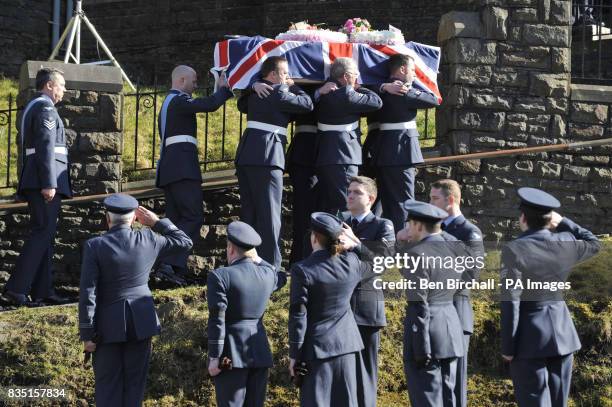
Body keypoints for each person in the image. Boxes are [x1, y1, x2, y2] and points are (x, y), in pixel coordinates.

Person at [79, 194, 193, 407]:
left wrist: (87, 333)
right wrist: (157, 222)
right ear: (134, 219)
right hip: (142, 321)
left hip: (106, 326)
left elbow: (88, 291)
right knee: (135, 385)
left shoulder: (95, 245)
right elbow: (184, 242)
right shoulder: (149, 238)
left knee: (107, 386)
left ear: (107, 218)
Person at [500, 187, 601, 407]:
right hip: (563, 334)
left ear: (523, 218)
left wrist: (508, 347)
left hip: (529, 339)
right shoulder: (565, 240)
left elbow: (511, 301)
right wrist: (564, 221)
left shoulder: (514, 249)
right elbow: (593, 243)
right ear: (550, 219)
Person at [155, 65, 233, 285]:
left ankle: (171, 269)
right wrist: (223, 88)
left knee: (175, 221)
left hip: (171, 170)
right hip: (182, 169)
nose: (196, 85)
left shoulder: (171, 102)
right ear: (181, 80)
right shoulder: (178, 100)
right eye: (194, 81)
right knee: (192, 216)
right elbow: (209, 104)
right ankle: (168, 264)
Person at [288, 212, 374, 407]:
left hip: (317, 349)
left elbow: (298, 316)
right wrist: (356, 243)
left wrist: (295, 354)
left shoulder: (302, 270)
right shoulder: (352, 262)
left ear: (314, 237)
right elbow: (377, 263)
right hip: (348, 345)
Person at [236, 56, 313, 270]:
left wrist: (253, 84)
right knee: (270, 214)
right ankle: (271, 266)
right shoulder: (279, 92)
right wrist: (294, 86)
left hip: (246, 155)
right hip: (268, 157)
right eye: (285, 73)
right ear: (272, 75)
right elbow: (307, 104)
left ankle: (245, 261)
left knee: (249, 212)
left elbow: (240, 102)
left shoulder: (253, 94)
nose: (288, 76)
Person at [2, 68, 71, 306]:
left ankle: (43, 290)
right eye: (62, 85)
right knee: (42, 231)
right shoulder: (46, 108)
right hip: (44, 181)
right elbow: (45, 146)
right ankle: (16, 288)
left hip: (39, 179)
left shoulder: (37, 106)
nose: (64, 90)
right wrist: (49, 182)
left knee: (45, 234)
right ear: (49, 86)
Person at [207, 221, 287, 407]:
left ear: (231, 248)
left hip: (230, 352)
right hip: (259, 349)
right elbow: (279, 275)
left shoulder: (220, 276)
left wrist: (214, 357)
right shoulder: (267, 274)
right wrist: (257, 259)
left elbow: (217, 319)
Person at [399, 201, 465, 407]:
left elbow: (419, 305)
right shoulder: (456, 248)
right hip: (450, 330)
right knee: (448, 398)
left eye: (409, 224)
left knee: (427, 399)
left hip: (426, 336)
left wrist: (421, 349)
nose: (408, 229)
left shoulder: (416, 254)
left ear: (418, 225)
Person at [338, 176, 395, 407]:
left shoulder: (382, 225)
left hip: (365, 309)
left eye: (357, 192)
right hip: (339, 308)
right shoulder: (339, 223)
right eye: (349, 191)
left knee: (365, 371)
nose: (350, 195)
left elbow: (386, 261)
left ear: (370, 199)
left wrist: (357, 245)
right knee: (342, 372)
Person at [429, 179, 484, 407]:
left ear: (450, 200)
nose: (429, 203)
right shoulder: (432, 229)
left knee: (454, 381)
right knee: (434, 381)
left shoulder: (468, 231)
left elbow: (471, 274)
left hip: (455, 311)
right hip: (432, 313)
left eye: (434, 199)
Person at [372, 53, 440, 233]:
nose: (415, 74)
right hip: (401, 152)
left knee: (387, 201)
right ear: (402, 69)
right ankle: (402, 248)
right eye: (412, 69)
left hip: (384, 150)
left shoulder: (380, 89)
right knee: (403, 202)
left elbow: (366, 86)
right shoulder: (404, 92)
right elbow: (434, 100)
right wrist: (411, 88)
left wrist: (382, 86)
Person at [314, 57, 382, 215]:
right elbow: (377, 102)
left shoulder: (320, 93)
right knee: (346, 205)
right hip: (343, 157)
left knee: (330, 205)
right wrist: (358, 88)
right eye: (355, 74)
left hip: (325, 156)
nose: (357, 78)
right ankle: (343, 240)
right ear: (346, 76)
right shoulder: (347, 94)